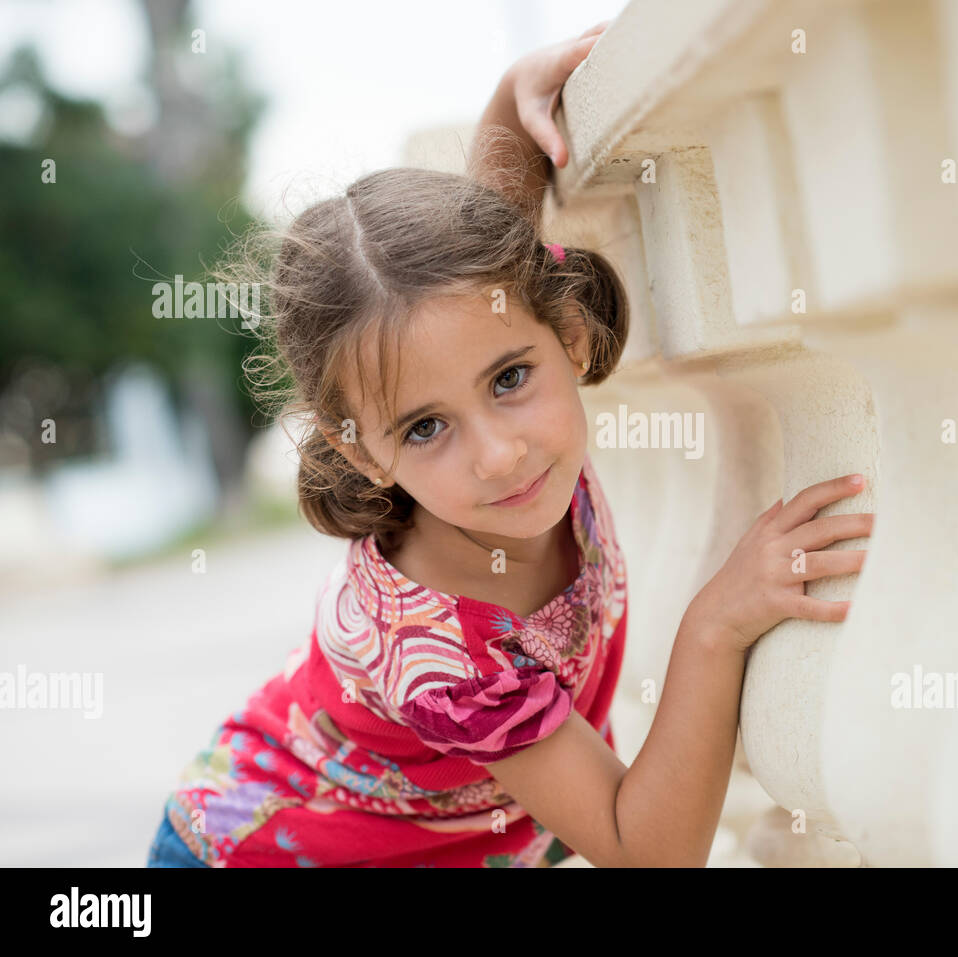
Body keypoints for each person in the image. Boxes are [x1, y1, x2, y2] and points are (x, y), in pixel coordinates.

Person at [148, 20, 873, 868]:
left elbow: (498, 231)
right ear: (363, 455)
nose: (498, 453)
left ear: (566, 333)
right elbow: (650, 850)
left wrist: (512, 96)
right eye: (425, 427)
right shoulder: (434, 648)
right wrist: (714, 623)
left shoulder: (502, 352)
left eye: (507, 380)